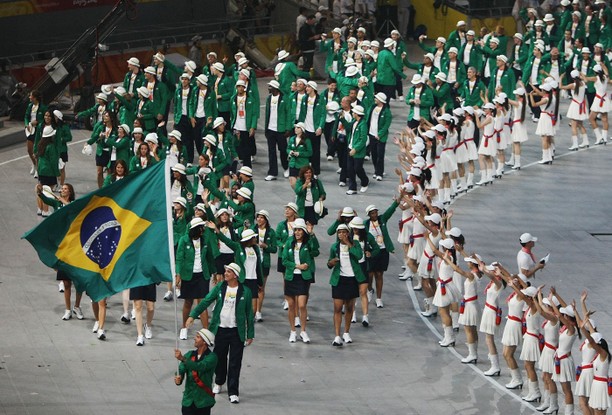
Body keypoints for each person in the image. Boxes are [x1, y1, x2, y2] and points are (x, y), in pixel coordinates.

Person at [186, 263, 254, 404]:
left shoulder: (245, 292)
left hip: (237, 332)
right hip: (221, 330)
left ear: (235, 275)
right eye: (226, 271)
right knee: (219, 358)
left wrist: (250, 334)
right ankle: (219, 381)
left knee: (235, 362)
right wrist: (193, 315)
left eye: (229, 272)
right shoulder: (220, 287)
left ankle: (233, 392)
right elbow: (206, 301)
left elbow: (249, 314)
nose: (226, 273)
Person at [281, 218, 319, 343]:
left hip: (303, 277)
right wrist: (297, 266)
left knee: (302, 305)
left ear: (303, 231)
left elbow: (315, 251)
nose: (297, 232)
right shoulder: (289, 242)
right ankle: (293, 331)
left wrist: (312, 234)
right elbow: (284, 260)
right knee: (291, 305)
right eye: (296, 230)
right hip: (291, 276)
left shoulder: (308, 242)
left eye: (300, 230)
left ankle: (303, 331)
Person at [176, 218, 215, 340]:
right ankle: (184, 327)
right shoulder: (184, 240)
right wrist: (178, 274)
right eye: (201, 228)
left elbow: (210, 257)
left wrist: (215, 272)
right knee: (188, 302)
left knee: (203, 303)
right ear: (196, 229)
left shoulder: (205, 240)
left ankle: (206, 331)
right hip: (189, 275)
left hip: (202, 275)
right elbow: (179, 258)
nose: (203, 230)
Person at [328, 224, 365, 346]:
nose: (341, 235)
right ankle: (337, 335)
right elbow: (329, 263)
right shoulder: (334, 247)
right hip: (339, 280)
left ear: (348, 234)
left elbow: (359, 256)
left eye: (343, 232)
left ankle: (346, 332)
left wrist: (349, 244)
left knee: (349, 307)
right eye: (339, 233)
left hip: (352, 279)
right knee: (338, 308)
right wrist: (331, 263)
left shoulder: (355, 244)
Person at [174, 328, 218, 415]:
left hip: (203, 400)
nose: (194, 338)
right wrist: (179, 377)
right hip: (188, 400)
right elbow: (181, 369)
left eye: (198, 337)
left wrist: (183, 359)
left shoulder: (212, 357)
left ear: (205, 341)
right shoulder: (189, 354)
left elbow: (200, 366)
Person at [364, 200, 399, 308]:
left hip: (383, 251)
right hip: (371, 251)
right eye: (372, 213)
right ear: (369, 215)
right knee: (369, 275)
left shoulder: (382, 220)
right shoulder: (366, 224)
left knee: (379, 274)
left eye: (376, 212)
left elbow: (390, 211)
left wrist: (397, 202)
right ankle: (370, 290)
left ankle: (379, 298)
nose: (375, 214)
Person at [264, 80, 291, 181]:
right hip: (270, 129)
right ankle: (272, 172)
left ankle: (286, 167)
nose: (268, 88)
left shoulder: (284, 99)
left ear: (275, 88)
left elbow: (288, 114)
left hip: (281, 129)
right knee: (271, 151)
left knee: (283, 150)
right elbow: (267, 114)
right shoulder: (268, 98)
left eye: (270, 87)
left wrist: (288, 128)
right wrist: (266, 128)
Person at [252, 210, 277, 322]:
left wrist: (266, 246)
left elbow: (274, 249)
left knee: (261, 287)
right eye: (258, 217)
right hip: (252, 262)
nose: (259, 219)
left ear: (266, 220)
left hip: (264, 263)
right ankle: (251, 310)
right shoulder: (252, 230)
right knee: (252, 287)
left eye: (262, 217)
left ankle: (258, 311)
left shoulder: (271, 232)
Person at [345, 104, 369, 195]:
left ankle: (365, 181)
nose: (352, 113)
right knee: (350, 169)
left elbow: (363, 139)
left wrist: (356, 148)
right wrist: (342, 118)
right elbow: (347, 128)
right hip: (350, 148)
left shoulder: (363, 124)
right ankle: (352, 187)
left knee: (358, 168)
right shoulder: (354, 121)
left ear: (357, 113)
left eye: (354, 112)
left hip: (358, 151)